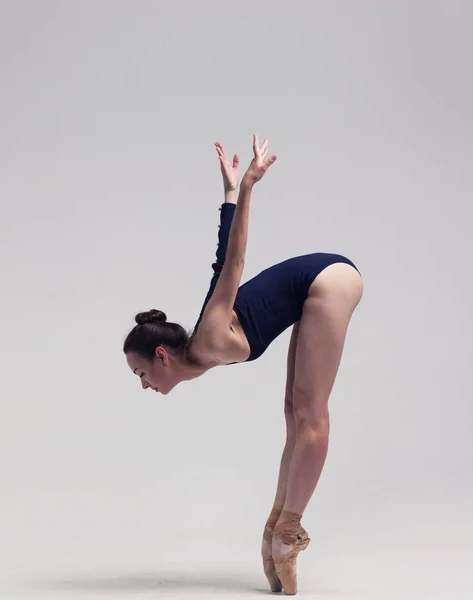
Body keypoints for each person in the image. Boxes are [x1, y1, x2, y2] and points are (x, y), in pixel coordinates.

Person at [123, 135, 363, 595]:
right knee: (294, 414)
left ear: (162, 356)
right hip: (309, 290)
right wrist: (228, 195)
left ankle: (287, 534)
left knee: (311, 416)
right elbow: (219, 268)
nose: (144, 385)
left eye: (142, 374)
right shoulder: (200, 347)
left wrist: (248, 186)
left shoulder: (210, 336)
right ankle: (277, 524)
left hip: (328, 280)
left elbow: (233, 260)